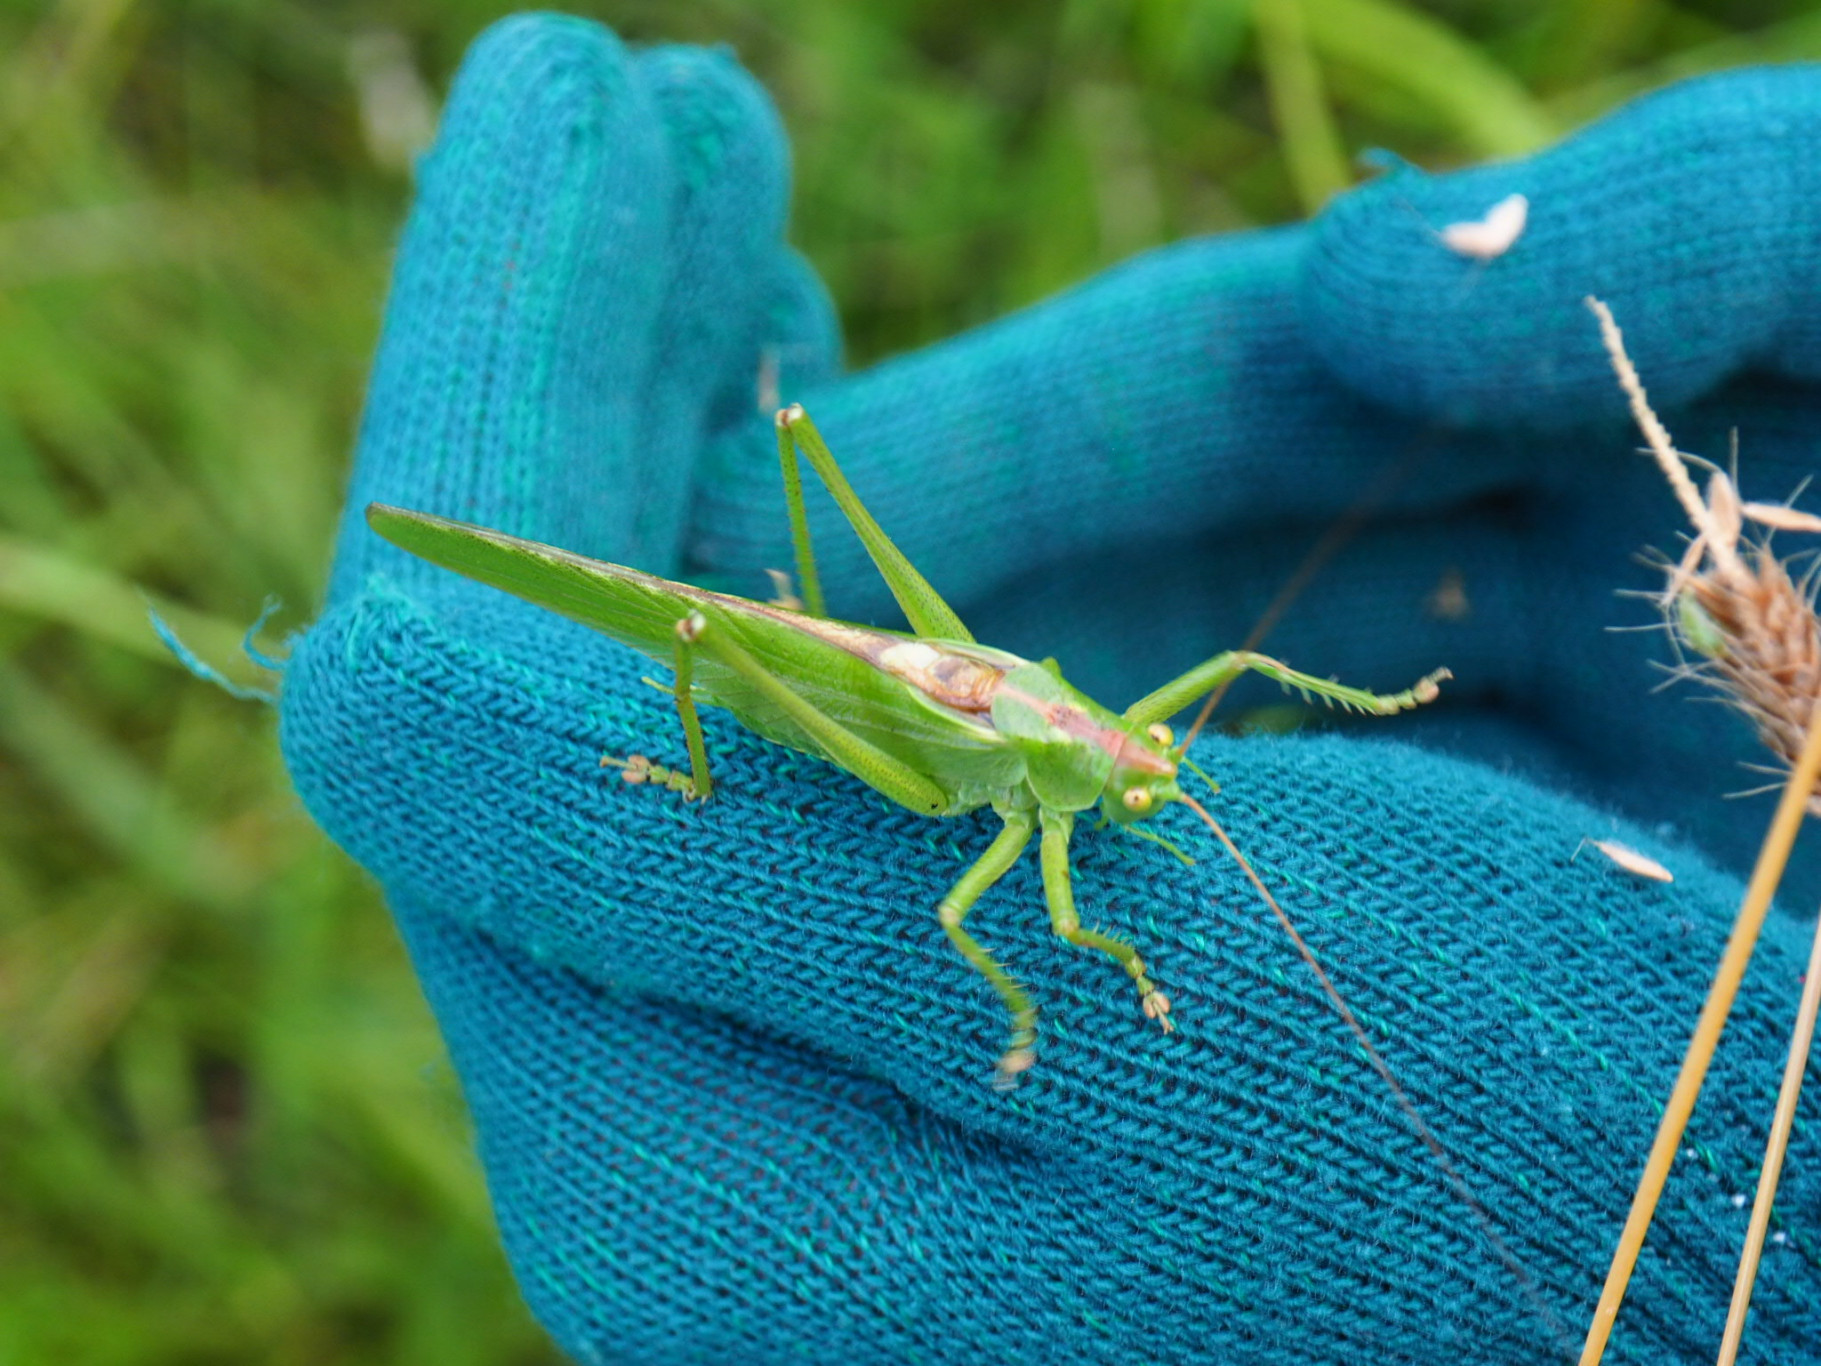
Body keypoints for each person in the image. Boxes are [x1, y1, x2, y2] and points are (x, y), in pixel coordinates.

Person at [281, 15, 1821, 1362]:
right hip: (864, 716)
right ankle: (688, 748)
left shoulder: (1131, 758)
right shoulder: (1046, 811)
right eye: (1140, 773)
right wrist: (1038, 997)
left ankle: (746, 621)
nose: (1149, 779)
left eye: (1141, 774)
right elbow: (987, 918)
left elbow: (1211, 690)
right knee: (750, 682)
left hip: (974, 697)